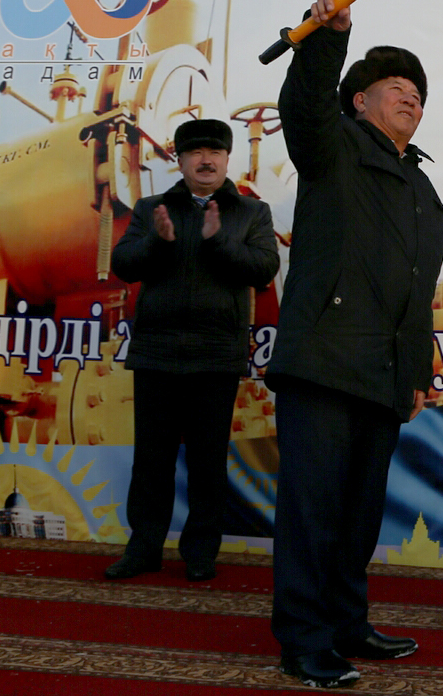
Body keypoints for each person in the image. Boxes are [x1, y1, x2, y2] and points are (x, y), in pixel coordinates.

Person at [266, 0, 443, 688]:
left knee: (359, 514)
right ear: (360, 102)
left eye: (416, 94)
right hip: (324, 360)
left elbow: (413, 294)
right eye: (393, 89)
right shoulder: (333, 145)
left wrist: (414, 375)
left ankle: (345, 621)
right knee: (313, 512)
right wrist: (327, 39)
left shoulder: (421, 189)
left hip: (382, 373)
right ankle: (304, 639)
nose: (409, 99)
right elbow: (304, 107)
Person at [107, 117, 279, 583]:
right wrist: (160, 244)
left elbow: (263, 267)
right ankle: (143, 548)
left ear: (227, 159)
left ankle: (201, 552)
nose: (206, 160)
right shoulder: (151, 207)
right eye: (196, 152)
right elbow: (123, 264)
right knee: (152, 460)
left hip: (216, 354)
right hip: (157, 351)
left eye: (215, 153)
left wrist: (217, 241)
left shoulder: (250, 213)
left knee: (208, 461)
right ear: (179, 161)